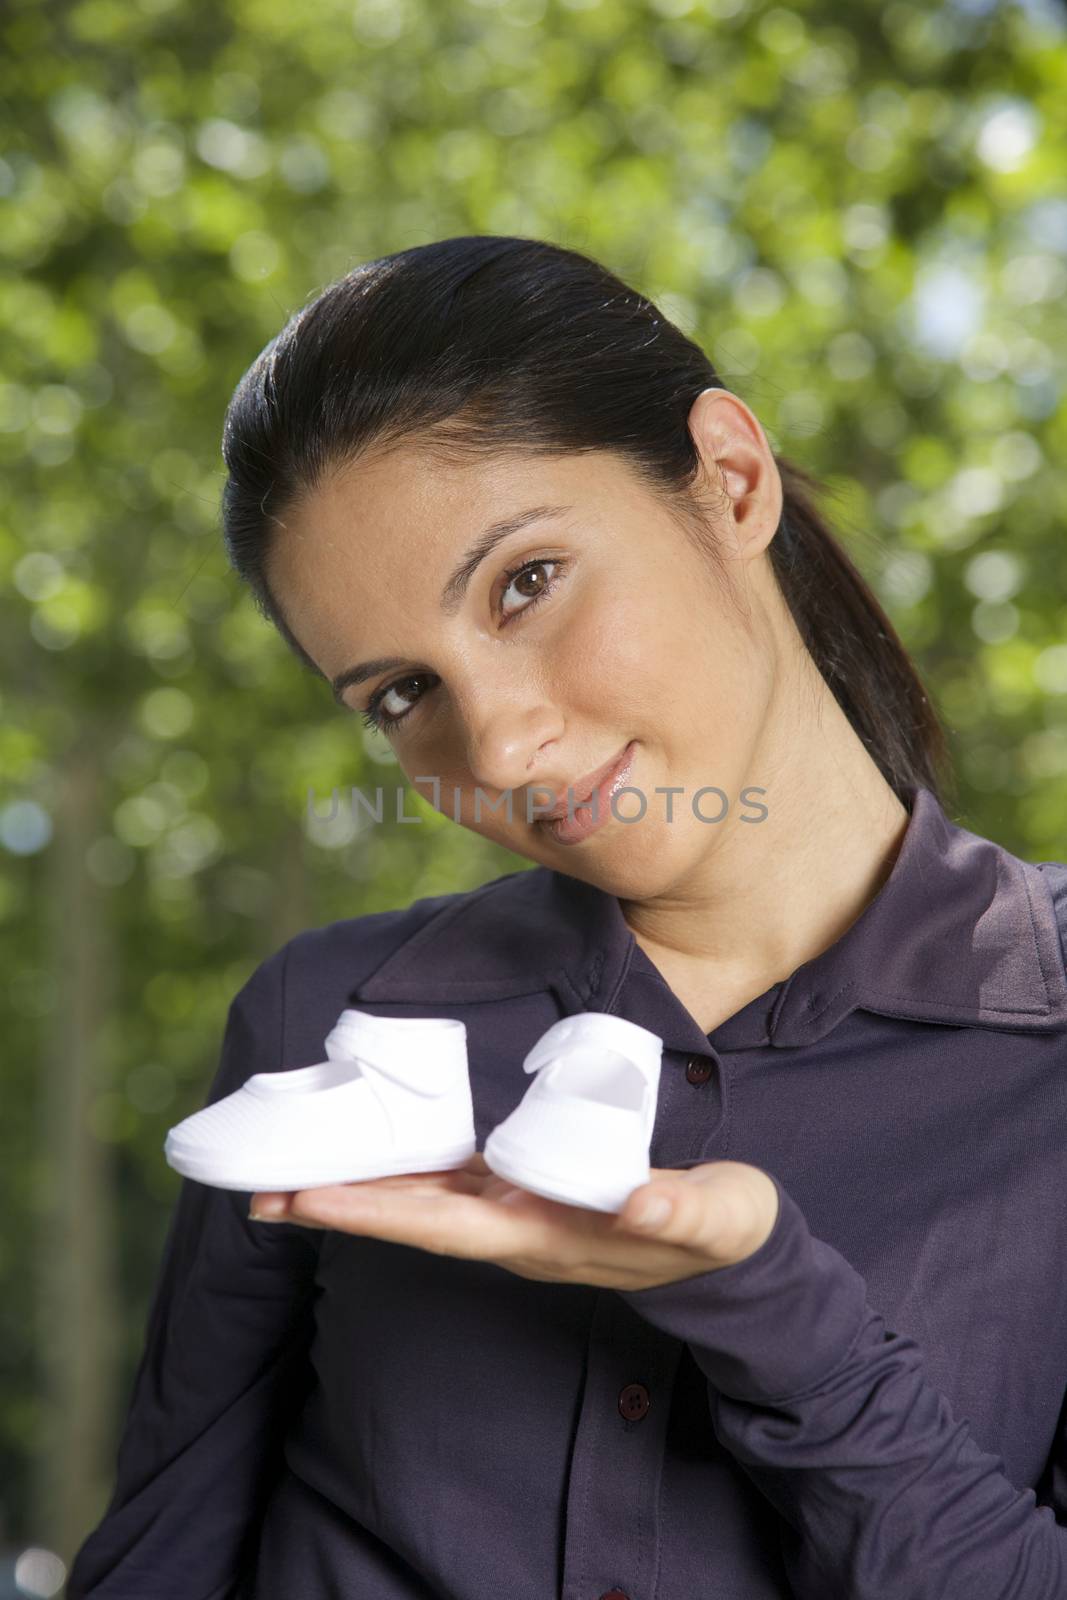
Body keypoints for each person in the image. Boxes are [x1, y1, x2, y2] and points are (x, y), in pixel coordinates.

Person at [67, 235, 1067, 1599]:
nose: (505, 746)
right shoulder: (327, 1026)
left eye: (526, 582)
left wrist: (773, 1307)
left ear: (730, 479)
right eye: (402, 695)